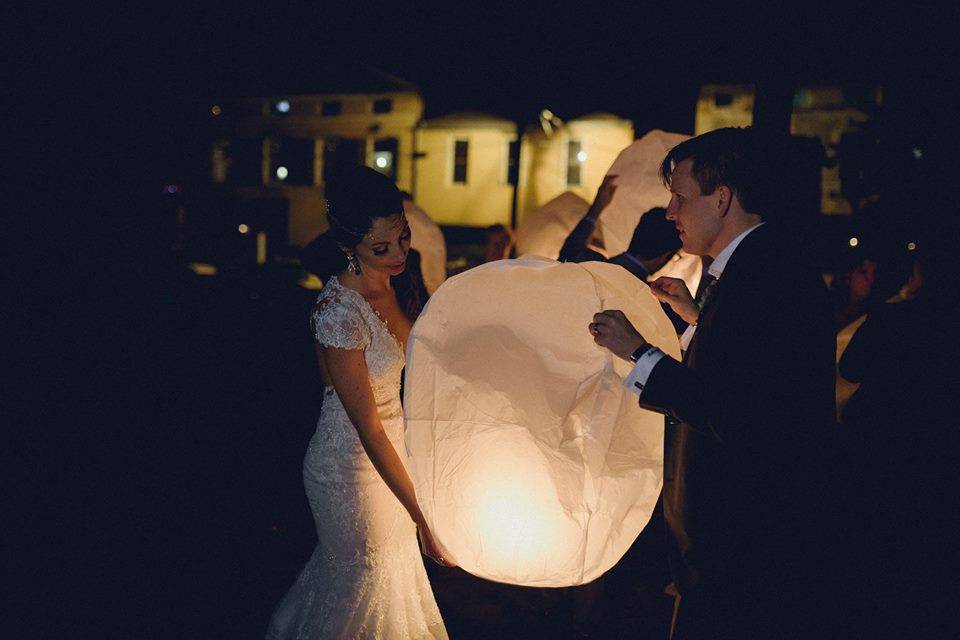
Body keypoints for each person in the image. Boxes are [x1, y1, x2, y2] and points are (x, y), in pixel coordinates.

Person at [589, 128, 837, 639]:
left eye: (680, 197)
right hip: (729, 547)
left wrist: (639, 352)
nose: (669, 213)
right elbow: (749, 362)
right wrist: (698, 318)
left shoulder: (767, 272)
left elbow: (739, 409)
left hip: (747, 547)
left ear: (721, 198)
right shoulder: (755, 264)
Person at [266, 166, 451, 640]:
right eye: (381, 248)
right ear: (349, 246)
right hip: (349, 468)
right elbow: (367, 428)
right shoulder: (338, 313)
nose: (399, 254)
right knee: (363, 587)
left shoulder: (398, 283)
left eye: (403, 238)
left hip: (395, 455)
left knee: (391, 586)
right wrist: (421, 512)